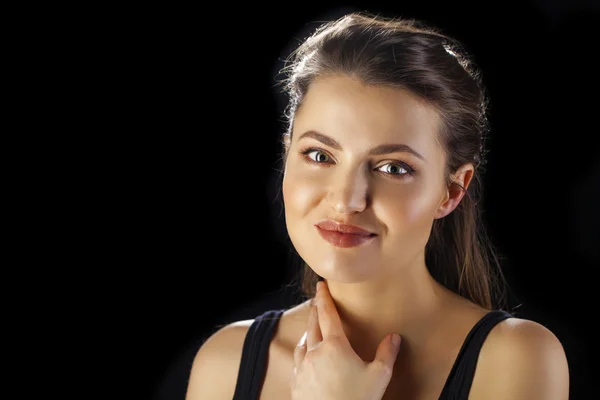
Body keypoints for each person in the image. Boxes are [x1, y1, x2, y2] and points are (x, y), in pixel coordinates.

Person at [185, 11, 569, 400]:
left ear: (451, 191)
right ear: (287, 158)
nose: (346, 200)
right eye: (319, 156)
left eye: (393, 167)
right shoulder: (226, 364)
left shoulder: (518, 358)